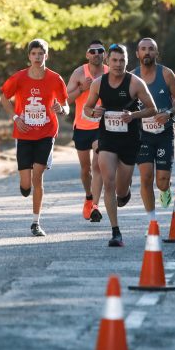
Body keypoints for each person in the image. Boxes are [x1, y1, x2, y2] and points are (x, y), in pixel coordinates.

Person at [83, 43, 159, 247]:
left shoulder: (135, 83)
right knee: (108, 181)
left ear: (127, 61)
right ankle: (115, 232)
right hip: (107, 138)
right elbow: (87, 108)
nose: (118, 64)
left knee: (120, 189)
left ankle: (124, 194)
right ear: (108, 61)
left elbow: (153, 109)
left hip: (129, 140)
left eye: (122, 60)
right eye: (114, 60)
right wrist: (93, 112)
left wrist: (133, 115)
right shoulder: (98, 83)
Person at [0, 39, 68, 237]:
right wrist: (15, 117)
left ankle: (35, 222)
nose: (38, 57)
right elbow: (4, 97)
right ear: (29, 56)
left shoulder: (55, 79)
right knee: (26, 183)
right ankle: (25, 187)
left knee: (38, 175)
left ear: (47, 56)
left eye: (41, 54)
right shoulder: (19, 78)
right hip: (24, 133)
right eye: (34, 54)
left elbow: (66, 104)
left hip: (46, 133)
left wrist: (62, 109)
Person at [132, 38, 175, 217]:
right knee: (146, 177)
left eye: (151, 49)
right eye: (143, 49)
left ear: (156, 53)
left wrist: (169, 113)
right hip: (142, 135)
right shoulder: (132, 77)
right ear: (137, 54)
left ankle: (165, 190)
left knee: (161, 182)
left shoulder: (166, 74)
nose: (147, 52)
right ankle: (151, 219)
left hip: (164, 134)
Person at [66, 39, 108, 222]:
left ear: (104, 54)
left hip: (102, 126)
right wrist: (82, 89)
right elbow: (66, 99)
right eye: (93, 51)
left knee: (97, 165)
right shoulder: (79, 73)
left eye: (100, 51)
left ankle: (96, 207)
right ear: (87, 55)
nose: (96, 54)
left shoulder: (110, 72)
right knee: (85, 170)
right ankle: (89, 197)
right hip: (82, 126)